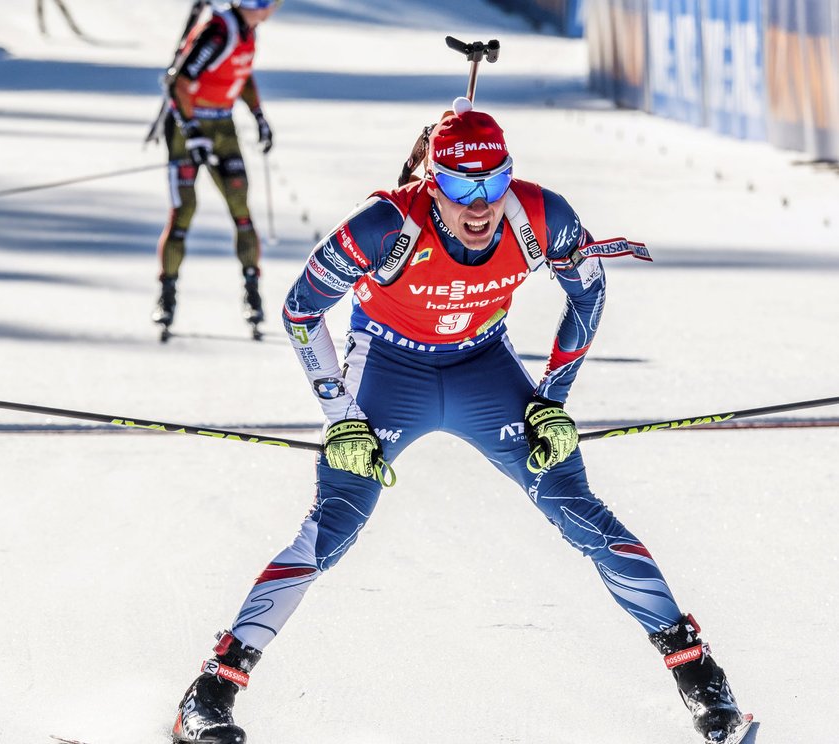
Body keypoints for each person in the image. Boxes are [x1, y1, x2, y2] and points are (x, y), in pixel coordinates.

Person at [170, 98, 747, 744]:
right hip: (389, 368)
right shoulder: (384, 226)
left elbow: (589, 288)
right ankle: (211, 692)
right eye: (459, 186)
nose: (480, 205)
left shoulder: (540, 216)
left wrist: (551, 401)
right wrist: (340, 419)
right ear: (431, 184)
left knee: (578, 510)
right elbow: (302, 310)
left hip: (482, 368)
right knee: (331, 529)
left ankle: (703, 685)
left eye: (494, 181)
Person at [152, 0, 280, 337]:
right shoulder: (220, 30)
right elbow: (179, 83)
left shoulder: (246, 32)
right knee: (183, 211)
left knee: (241, 209)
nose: (270, 9)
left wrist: (258, 116)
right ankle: (167, 296)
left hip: (222, 125)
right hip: (188, 127)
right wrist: (192, 134)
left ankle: (252, 294)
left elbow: (241, 73)